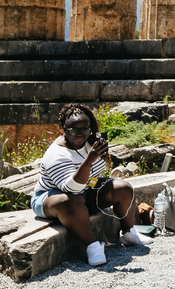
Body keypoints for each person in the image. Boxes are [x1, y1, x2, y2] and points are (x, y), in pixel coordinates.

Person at [31, 102, 153, 267]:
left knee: (122, 188)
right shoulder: (56, 154)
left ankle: (129, 233)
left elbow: (93, 176)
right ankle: (92, 246)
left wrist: (102, 159)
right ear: (63, 129)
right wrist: (89, 160)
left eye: (85, 129)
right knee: (71, 201)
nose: (79, 134)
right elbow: (71, 189)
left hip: (83, 191)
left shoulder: (91, 141)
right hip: (51, 198)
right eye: (73, 130)